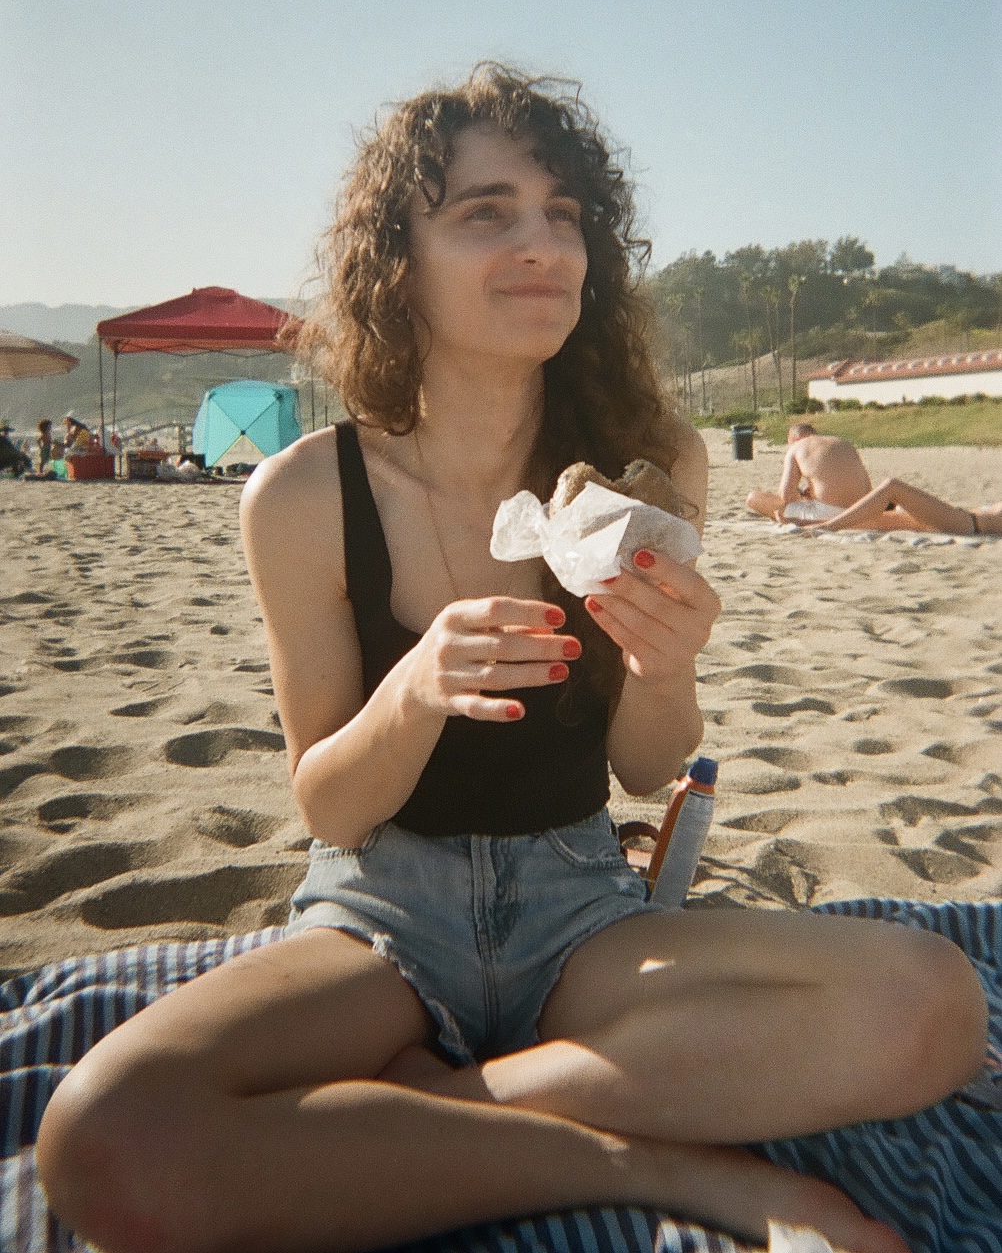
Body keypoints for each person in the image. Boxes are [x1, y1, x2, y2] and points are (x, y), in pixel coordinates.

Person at [37, 66, 987, 1253]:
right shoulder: (300, 496)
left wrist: (664, 666)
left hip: (580, 906)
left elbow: (649, 772)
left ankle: (436, 1117)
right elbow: (331, 806)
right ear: (401, 261)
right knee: (103, 1136)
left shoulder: (646, 467)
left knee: (934, 1008)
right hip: (383, 915)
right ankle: (654, 1162)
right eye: (486, 212)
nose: (542, 243)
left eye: (564, 214)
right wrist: (417, 688)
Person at [784, 476, 1002, 536]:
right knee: (885, 519)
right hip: (964, 519)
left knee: (892, 487)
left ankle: (827, 526)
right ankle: (813, 522)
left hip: (967, 523)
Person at [746, 423, 874, 521]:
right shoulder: (842, 442)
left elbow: (786, 498)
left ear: (795, 438)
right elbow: (867, 488)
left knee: (753, 498)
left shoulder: (797, 447)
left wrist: (799, 495)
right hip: (862, 511)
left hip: (830, 514)